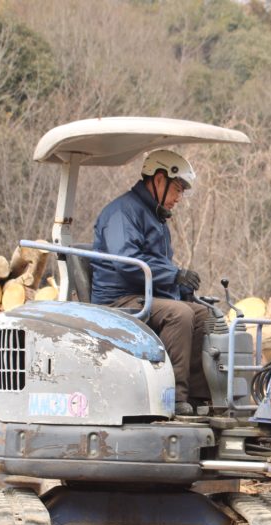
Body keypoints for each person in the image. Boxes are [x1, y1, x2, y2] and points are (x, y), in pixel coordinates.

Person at [90, 149, 209, 416]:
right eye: (177, 189)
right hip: (119, 298)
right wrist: (174, 276)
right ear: (158, 180)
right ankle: (174, 399)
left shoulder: (154, 216)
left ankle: (200, 397)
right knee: (179, 315)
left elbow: (156, 263)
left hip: (143, 294)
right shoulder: (123, 213)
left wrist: (182, 287)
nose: (179, 198)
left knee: (202, 314)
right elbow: (128, 262)